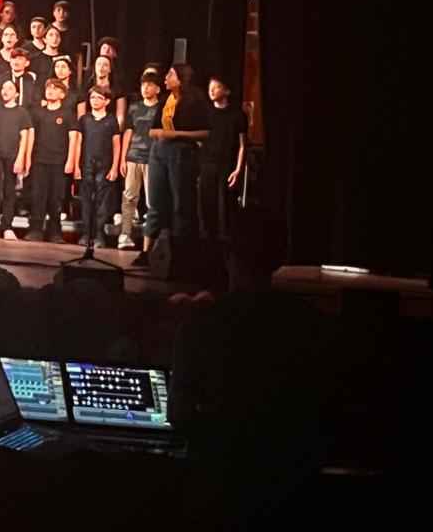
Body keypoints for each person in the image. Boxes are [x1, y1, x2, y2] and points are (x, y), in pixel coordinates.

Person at [170, 211, 326, 529]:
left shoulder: (203, 326)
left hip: (220, 490)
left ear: (228, 255)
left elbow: (179, 413)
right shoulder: (312, 323)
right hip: (290, 492)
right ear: (279, 259)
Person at [139, 61, 210, 263]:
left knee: (181, 203)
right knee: (155, 202)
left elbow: (206, 132)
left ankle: (180, 252)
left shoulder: (195, 100)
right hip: (159, 151)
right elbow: (152, 129)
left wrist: (176, 134)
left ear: (181, 78)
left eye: (170, 74)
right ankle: (146, 252)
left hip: (182, 151)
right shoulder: (166, 100)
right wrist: (160, 133)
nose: (166, 78)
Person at [28, 76, 79, 242]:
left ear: (62, 94)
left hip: (59, 161)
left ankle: (55, 231)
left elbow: (74, 138)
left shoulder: (68, 114)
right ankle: (35, 229)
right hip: (39, 160)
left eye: (55, 88)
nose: (50, 90)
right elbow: (30, 136)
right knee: (38, 196)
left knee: (56, 197)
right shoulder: (38, 113)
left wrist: (71, 160)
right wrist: (28, 158)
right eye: (48, 87)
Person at [200, 73, 248, 241]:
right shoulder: (205, 112)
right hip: (206, 164)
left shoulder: (237, 115)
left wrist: (238, 169)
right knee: (207, 207)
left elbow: (243, 144)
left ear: (227, 91)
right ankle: (207, 244)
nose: (212, 90)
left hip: (226, 166)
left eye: (217, 87)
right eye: (210, 87)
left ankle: (226, 245)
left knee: (225, 208)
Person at [75, 85, 122, 249]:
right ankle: (86, 233)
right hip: (86, 163)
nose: (95, 100)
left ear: (107, 101)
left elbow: (116, 144)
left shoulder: (111, 120)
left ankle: (99, 234)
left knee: (102, 202)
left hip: (105, 164)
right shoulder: (84, 119)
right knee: (86, 201)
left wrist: (115, 166)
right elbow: (78, 142)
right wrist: (76, 165)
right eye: (92, 97)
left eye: (99, 98)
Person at [0, 78, 33, 240]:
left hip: (12, 155)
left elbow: (25, 136)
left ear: (16, 93)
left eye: (9, 89)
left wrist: (21, 158)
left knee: (9, 191)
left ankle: (7, 225)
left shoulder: (21, 112)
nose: (5, 91)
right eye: (3, 88)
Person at [119, 68, 161, 248]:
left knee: (153, 200)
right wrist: (122, 158)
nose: (145, 88)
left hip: (153, 158)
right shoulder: (135, 107)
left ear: (157, 89)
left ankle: (150, 239)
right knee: (129, 196)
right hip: (133, 156)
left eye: (150, 85)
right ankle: (125, 234)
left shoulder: (161, 108)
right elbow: (128, 132)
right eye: (144, 85)